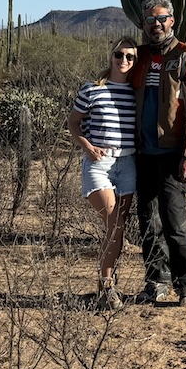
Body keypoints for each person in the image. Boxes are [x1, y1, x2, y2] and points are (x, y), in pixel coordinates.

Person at [129, 0, 186, 306]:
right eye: (150, 20)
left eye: (162, 18)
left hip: (173, 154)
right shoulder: (139, 56)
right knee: (148, 221)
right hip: (142, 153)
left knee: (175, 221)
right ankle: (156, 281)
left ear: (172, 20)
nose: (156, 24)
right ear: (144, 24)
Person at [67, 37, 139, 310]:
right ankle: (107, 286)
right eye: (119, 54)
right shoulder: (92, 90)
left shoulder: (137, 91)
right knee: (114, 224)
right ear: (110, 56)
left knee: (117, 227)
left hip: (128, 163)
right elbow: (73, 123)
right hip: (99, 163)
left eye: (130, 57)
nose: (124, 61)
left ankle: (106, 286)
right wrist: (86, 146)